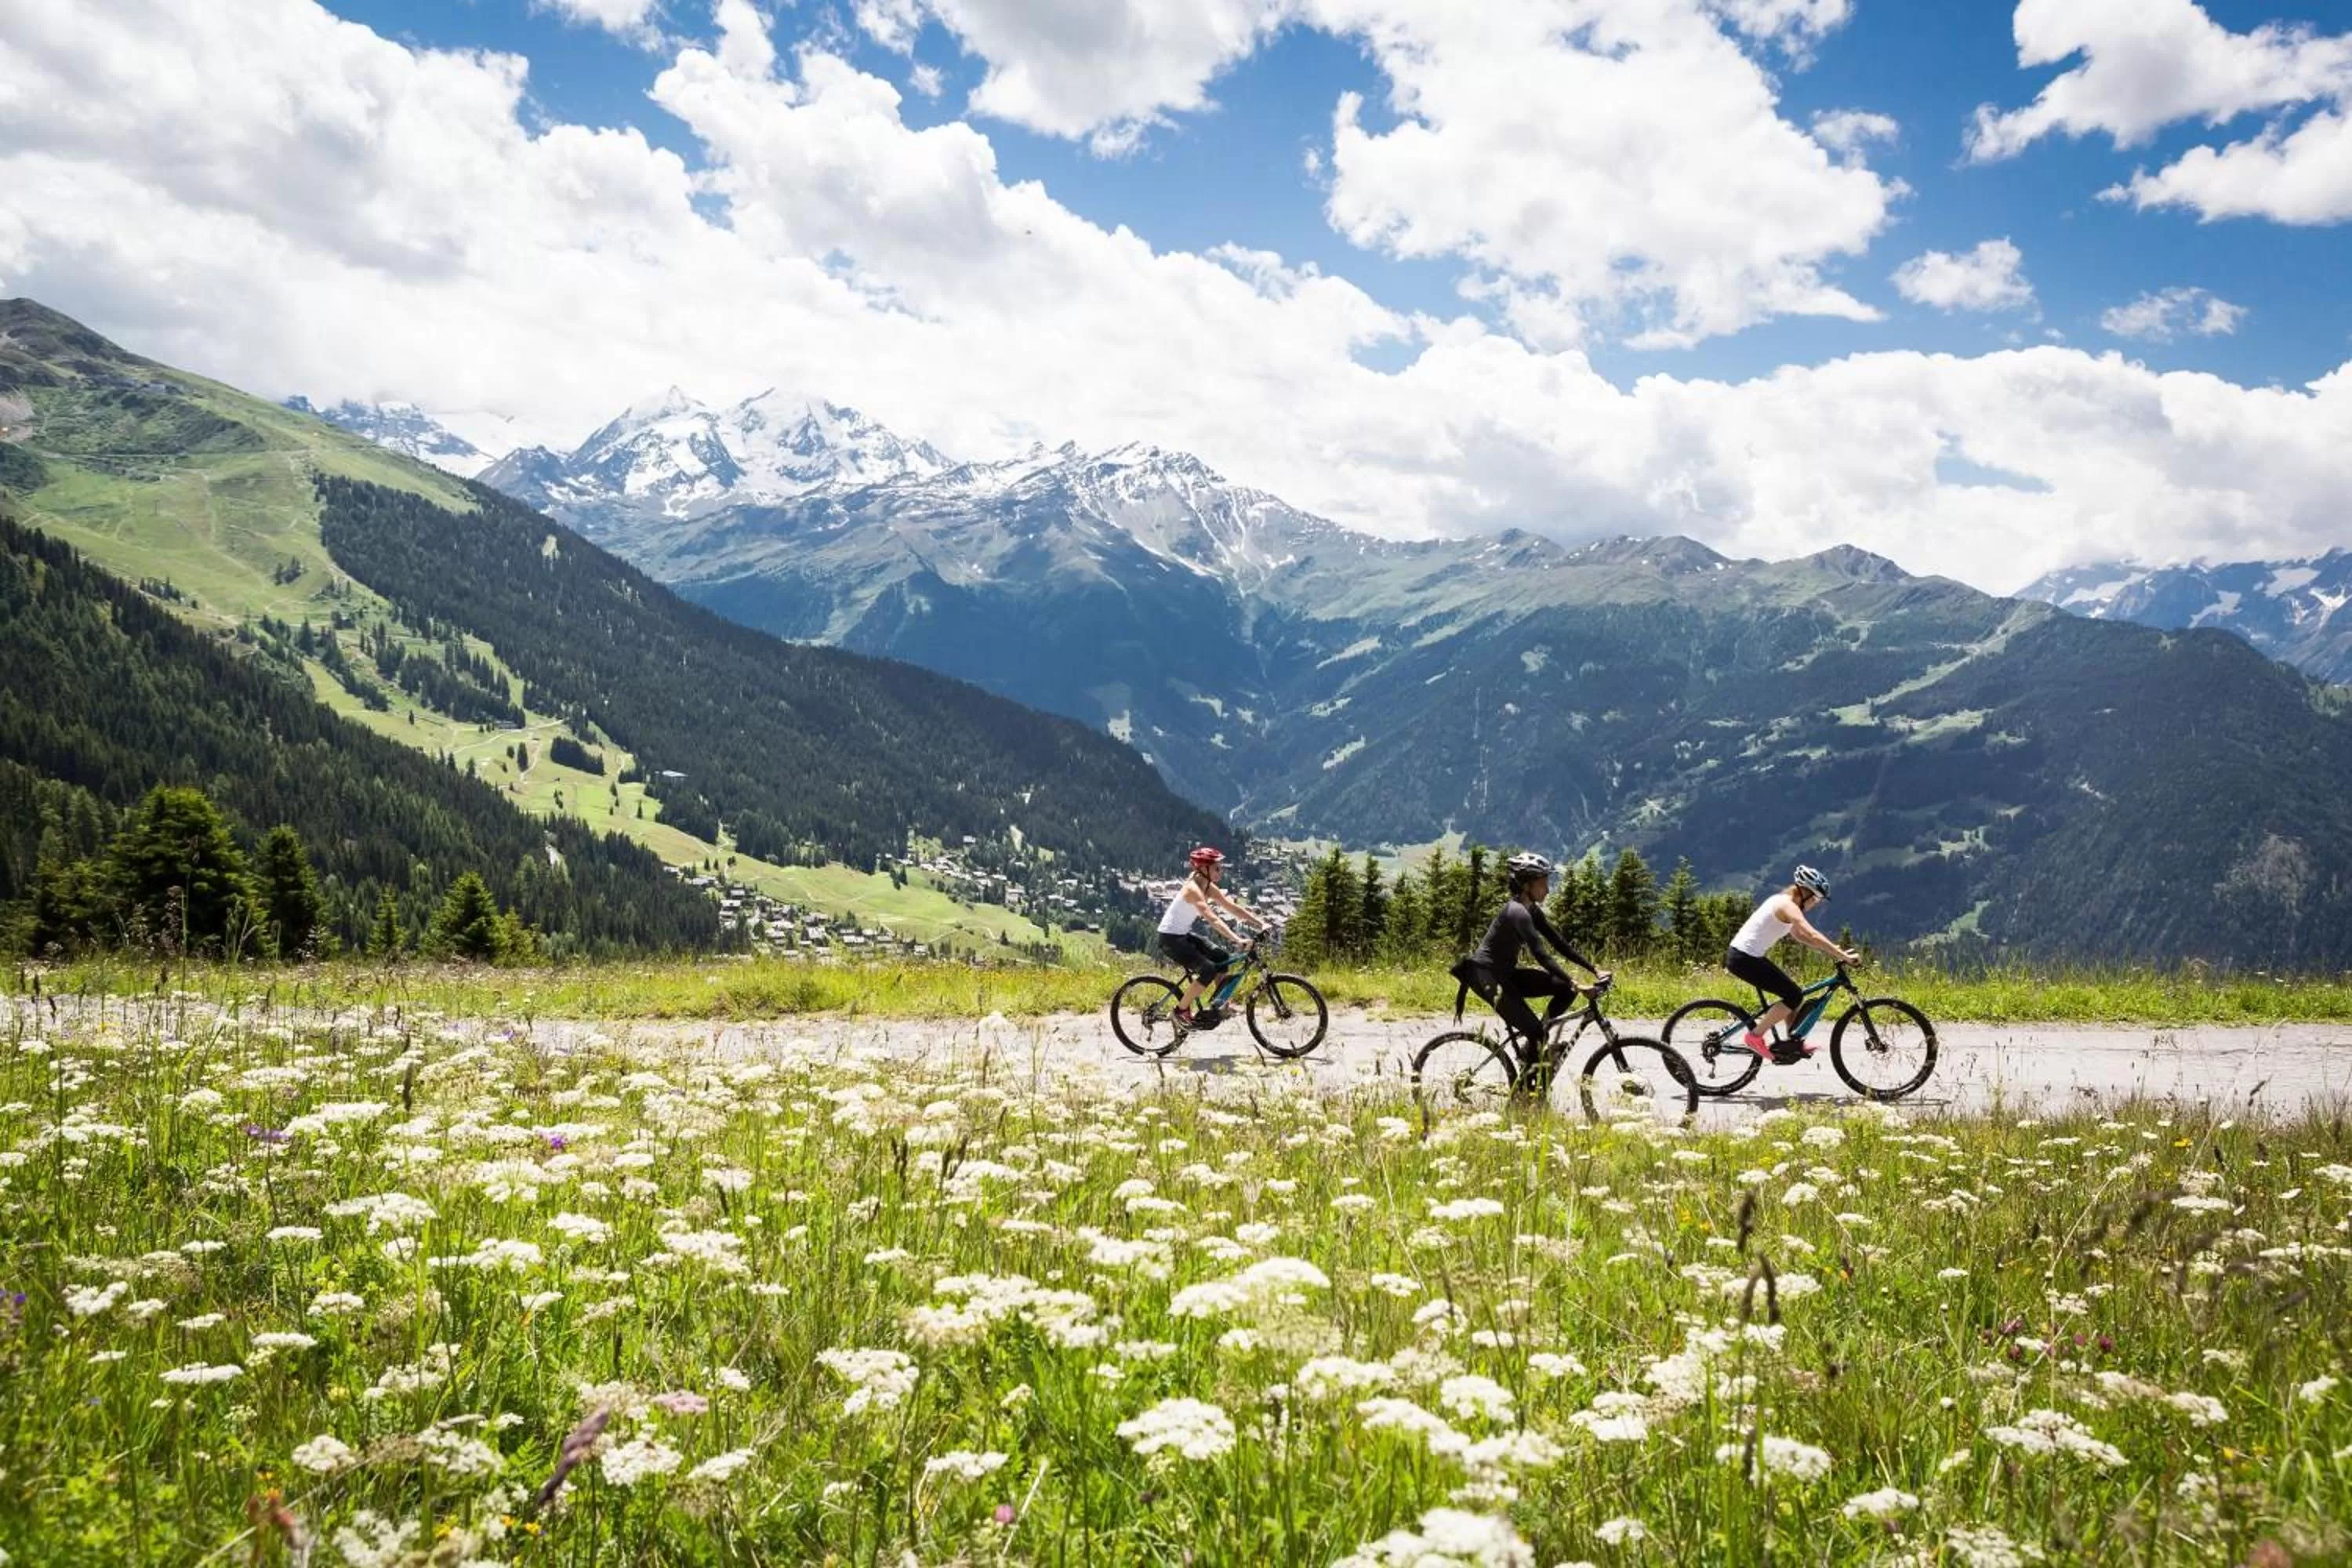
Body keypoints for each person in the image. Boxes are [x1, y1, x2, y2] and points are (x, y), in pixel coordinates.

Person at [1454, 851, 1609, 1052]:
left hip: (1506, 974)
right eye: (1543, 884)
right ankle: (1529, 1070)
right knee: (1537, 1032)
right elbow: (1541, 954)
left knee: (1564, 990)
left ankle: (1535, 1044)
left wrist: (1594, 969)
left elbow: (1558, 943)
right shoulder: (1517, 913)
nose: (1548, 890)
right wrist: (1577, 983)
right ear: (1527, 885)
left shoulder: (1531, 910)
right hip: (1487, 977)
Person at [1726, 865, 1858, 1059]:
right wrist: (1841, 954)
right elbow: (1811, 932)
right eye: (1816, 898)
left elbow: (1801, 936)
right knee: (1794, 996)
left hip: (1746, 956)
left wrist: (1831, 952)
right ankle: (1755, 1036)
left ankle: (1793, 1042)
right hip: (1744, 959)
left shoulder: (1785, 903)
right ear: (1804, 893)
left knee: (1794, 993)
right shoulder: (1787, 905)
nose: (1816, 903)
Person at [1156, 846, 1271, 1025]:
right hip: (1170, 939)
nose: (1221, 872)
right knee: (1208, 969)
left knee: (1221, 956)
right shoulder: (1193, 890)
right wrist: (1237, 939)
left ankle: (1220, 1004)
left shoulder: (1207, 886)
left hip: (1182, 935)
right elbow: (1212, 919)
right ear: (1203, 869)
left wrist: (1260, 923)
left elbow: (1233, 908)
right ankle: (1180, 1011)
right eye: (1217, 868)